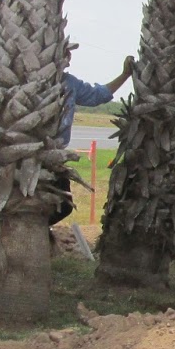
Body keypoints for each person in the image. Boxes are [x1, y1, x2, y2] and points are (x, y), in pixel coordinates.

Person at [49, 52, 135, 225]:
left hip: (54, 157)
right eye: (64, 53)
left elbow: (97, 96)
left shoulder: (69, 83)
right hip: (28, 152)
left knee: (64, 206)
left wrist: (125, 74)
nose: (68, 57)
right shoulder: (32, 82)